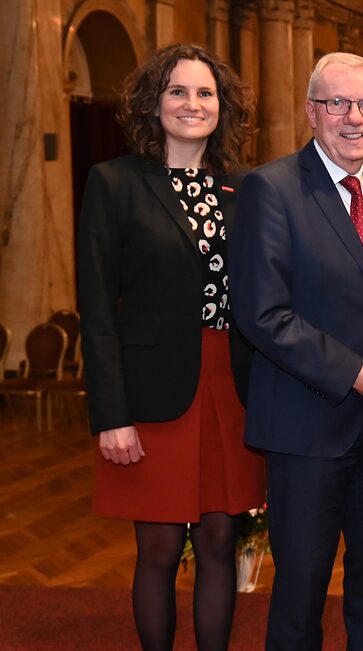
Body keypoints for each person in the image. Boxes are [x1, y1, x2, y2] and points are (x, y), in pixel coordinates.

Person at [228, 52, 363, 650]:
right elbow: (261, 313)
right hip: (307, 430)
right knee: (300, 593)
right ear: (311, 111)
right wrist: (356, 374)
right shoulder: (269, 189)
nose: (354, 117)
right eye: (337, 103)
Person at [77, 42, 262, 651]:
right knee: (157, 549)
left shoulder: (244, 190)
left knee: (217, 542)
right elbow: (98, 311)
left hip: (230, 389)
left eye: (205, 92)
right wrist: (112, 415)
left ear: (222, 106)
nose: (192, 103)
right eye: (177, 91)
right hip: (153, 394)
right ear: (153, 104)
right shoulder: (114, 183)